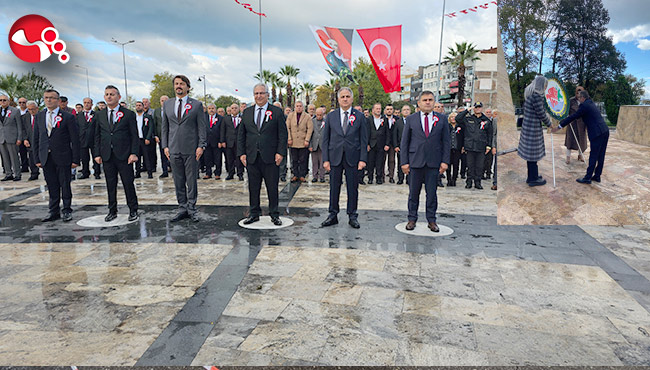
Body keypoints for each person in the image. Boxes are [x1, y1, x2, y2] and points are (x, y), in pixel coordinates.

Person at [238, 83, 287, 225]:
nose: (259, 96)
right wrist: (241, 153)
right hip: (252, 156)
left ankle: (274, 214)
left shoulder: (276, 112)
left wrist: (280, 153)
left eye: (261, 93)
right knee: (253, 187)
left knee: (272, 187)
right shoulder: (247, 112)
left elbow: (282, 134)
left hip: (271, 157)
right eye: (256, 94)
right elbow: (241, 135)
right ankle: (254, 213)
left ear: (267, 95)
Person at [400, 90, 450, 232]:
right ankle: (411, 218)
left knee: (432, 193)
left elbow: (446, 142)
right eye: (425, 100)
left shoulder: (441, 119)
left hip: (434, 163)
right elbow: (405, 142)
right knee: (413, 193)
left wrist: (445, 161)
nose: (427, 102)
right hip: (415, 162)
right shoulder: (411, 119)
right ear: (419, 103)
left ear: (434, 102)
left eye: (430, 100)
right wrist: (404, 162)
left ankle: (432, 220)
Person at [161, 75, 207, 222]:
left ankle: (192, 208)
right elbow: (164, 127)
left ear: (188, 87)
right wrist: (165, 146)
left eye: (181, 84)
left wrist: (201, 145)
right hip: (173, 149)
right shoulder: (167, 104)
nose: (178, 86)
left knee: (191, 180)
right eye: (176, 84)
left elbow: (202, 127)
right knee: (178, 180)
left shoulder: (196, 105)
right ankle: (182, 207)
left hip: (191, 149)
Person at [321, 87, 368, 229]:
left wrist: (362, 159)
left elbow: (363, 140)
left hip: (353, 157)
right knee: (334, 187)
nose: (345, 99)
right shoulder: (331, 116)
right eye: (342, 97)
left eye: (348, 96)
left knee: (353, 188)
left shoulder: (359, 116)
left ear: (352, 99)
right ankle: (332, 214)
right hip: (334, 157)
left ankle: (352, 215)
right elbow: (325, 139)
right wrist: (326, 159)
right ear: (339, 99)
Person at [93, 85, 139, 222]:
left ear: (118, 97)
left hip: (124, 155)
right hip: (107, 155)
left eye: (112, 94)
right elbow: (97, 136)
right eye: (106, 94)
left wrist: (134, 153)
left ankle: (133, 210)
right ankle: (112, 210)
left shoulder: (128, 114)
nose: (109, 97)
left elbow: (134, 136)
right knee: (110, 184)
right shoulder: (99, 115)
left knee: (128, 183)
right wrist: (97, 154)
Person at [33, 89, 80, 222]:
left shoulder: (68, 117)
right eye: (46, 97)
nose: (49, 100)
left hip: (63, 156)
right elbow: (36, 138)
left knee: (65, 184)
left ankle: (66, 210)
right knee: (52, 185)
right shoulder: (40, 116)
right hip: (46, 157)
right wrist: (37, 158)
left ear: (58, 101)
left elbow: (75, 140)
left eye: (52, 98)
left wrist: (76, 159)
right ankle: (53, 211)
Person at [553, 89, 609, 184]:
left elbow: (573, 116)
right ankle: (597, 176)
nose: (578, 99)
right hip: (605, 131)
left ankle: (587, 178)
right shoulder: (590, 103)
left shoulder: (584, 105)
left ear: (582, 98)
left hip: (597, 133)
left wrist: (559, 126)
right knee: (601, 155)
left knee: (593, 155)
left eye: (579, 98)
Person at [518, 75, 552, 187]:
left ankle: (532, 176)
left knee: (531, 155)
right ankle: (533, 179)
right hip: (532, 130)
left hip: (528, 128)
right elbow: (541, 113)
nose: (546, 87)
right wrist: (549, 124)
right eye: (545, 85)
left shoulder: (530, 95)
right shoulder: (536, 97)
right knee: (532, 155)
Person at [456, 102, 493, 189]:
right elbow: (458, 118)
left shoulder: (486, 120)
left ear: (482, 108)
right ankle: (469, 182)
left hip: (481, 146)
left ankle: (478, 182)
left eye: (479, 107)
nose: (478, 109)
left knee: (479, 166)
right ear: (473, 108)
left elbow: (490, 134)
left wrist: (489, 146)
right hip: (470, 146)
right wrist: (467, 110)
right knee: (470, 166)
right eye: (476, 107)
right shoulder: (468, 118)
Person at [286, 100, 313, 182]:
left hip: (303, 141)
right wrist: (289, 138)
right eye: (297, 106)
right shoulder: (290, 116)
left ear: (303, 107)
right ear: (294, 107)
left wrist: (307, 140)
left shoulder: (307, 116)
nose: (299, 107)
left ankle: (302, 175)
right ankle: (295, 175)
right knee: (294, 159)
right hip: (293, 141)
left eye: (300, 106)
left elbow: (310, 129)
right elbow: (287, 127)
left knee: (303, 159)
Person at [365, 103, 389, 185]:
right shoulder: (368, 119)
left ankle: (379, 178)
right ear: (373, 110)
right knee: (370, 162)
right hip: (371, 144)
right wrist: (367, 144)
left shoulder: (384, 119)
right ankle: (370, 178)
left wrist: (387, 144)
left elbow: (387, 133)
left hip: (381, 144)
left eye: (379, 108)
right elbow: (366, 132)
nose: (378, 110)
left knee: (380, 162)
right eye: (377, 109)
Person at [0, 94, 23, 181]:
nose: (2, 102)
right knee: (5, 157)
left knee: (14, 157)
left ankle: (17, 174)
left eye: (4, 100)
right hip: (2, 138)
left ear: (8, 101)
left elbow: (19, 125)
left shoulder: (15, 111)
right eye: (1, 100)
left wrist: (19, 138)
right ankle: (8, 173)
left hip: (12, 137)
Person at [77, 97, 100, 179]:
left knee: (96, 157)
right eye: (85, 103)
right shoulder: (79, 115)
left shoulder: (96, 115)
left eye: (88, 103)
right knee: (84, 158)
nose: (86, 104)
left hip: (94, 139)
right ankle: (85, 172)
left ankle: (97, 173)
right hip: (82, 140)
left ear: (91, 104)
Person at [564, 86, 587, 164]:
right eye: (578, 93)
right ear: (576, 93)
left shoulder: (585, 101)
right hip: (572, 124)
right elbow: (566, 110)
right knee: (569, 141)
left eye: (580, 93)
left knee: (581, 140)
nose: (579, 95)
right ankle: (568, 157)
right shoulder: (571, 100)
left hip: (581, 124)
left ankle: (580, 155)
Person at [221, 103, 244, 180]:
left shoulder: (242, 118)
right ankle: (230, 173)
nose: (234, 109)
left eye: (236, 108)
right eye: (232, 108)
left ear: (239, 109)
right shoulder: (226, 119)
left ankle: (240, 174)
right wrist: (222, 141)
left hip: (239, 142)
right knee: (229, 159)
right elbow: (222, 130)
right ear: (230, 109)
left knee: (239, 159)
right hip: (229, 142)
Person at [134, 101, 154, 179]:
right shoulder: (133, 117)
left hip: (144, 139)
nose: (138, 107)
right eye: (137, 105)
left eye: (139, 105)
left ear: (143, 107)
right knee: (137, 157)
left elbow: (151, 128)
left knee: (147, 157)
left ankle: (149, 173)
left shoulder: (147, 116)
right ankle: (137, 172)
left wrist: (148, 138)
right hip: (136, 140)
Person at [21, 101, 40, 180]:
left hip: (41, 139)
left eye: (33, 109)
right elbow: (23, 129)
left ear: (37, 108)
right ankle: (34, 173)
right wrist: (25, 139)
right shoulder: (25, 117)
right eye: (29, 109)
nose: (31, 111)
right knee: (32, 157)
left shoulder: (42, 115)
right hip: (30, 139)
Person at [204, 104, 223, 180]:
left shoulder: (220, 118)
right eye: (209, 108)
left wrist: (221, 141)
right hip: (207, 141)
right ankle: (208, 173)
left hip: (217, 142)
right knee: (207, 158)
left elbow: (222, 130)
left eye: (212, 108)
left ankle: (217, 173)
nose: (211, 110)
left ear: (215, 109)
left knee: (218, 159)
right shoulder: (204, 118)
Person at [153, 95, 171, 178]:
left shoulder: (172, 110)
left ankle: (174, 171)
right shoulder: (156, 111)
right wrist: (155, 135)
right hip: (161, 136)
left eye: (165, 100)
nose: (163, 102)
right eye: (162, 100)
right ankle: (165, 171)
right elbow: (155, 124)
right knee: (163, 154)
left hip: (171, 136)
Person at [393, 105, 410, 185]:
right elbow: (395, 134)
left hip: (411, 147)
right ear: (401, 112)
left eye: (407, 110)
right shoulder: (398, 122)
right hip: (400, 146)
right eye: (404, 110)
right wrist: (396, 146)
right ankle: (400, 178)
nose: (406, 111)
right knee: (401, 163)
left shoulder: (413, 121)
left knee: (410, 163)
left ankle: (409, 179)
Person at [446, 112, 464, 186]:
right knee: (448, 165)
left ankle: (454, 179)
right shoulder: (447, 126)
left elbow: (463, 137)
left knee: (456, 165)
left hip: (457, 148)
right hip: (448, 148)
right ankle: (449, 179)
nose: (453, 118)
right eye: (452, 117)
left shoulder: (460, 126)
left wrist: (463, 146)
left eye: (454, 117)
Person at [309, 107, 326, 183]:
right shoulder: (312, 122)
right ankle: (315, 176)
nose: (319, 116)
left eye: (320, 115)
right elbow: (310, 134)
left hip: (323, 145)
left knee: (322, 162)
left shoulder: (326, 122)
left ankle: (322, 177)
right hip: (314, 144)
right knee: (314, 162)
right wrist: (310, 145)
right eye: (318, 115)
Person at [383, 104, 398, 183]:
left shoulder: (397, 119)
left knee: (392, 160)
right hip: (383, 143)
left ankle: (391, 176)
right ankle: (381, 176)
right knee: (382, 160)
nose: (389, 110)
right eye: (388, 109)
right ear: (385, 110)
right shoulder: (381, 119)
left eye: (391, 109)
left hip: (393, 143)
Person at [483, 107, 495, 180]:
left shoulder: (494, 121)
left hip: (491, 143)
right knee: (483, 160)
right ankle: (482, 173)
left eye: (489, 112)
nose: (488, 113)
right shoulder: (483, 121)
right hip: (484, 143)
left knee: (490, 160)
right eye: (487, 112)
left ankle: (488, 173)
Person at [491, 110, 498, 191]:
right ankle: (496, 183)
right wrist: (493, 146)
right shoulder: (496, 120)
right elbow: (494, 134)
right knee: (497, 165)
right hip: (497, 144)